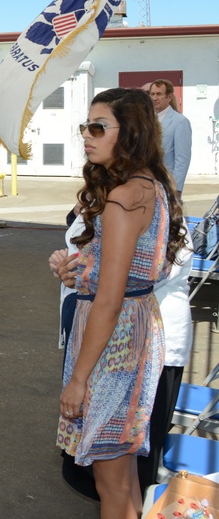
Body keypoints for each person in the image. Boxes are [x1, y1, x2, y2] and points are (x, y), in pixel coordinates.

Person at [55, 87, 186, 518]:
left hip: (114, 346)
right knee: (124, 472)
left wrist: (78, 380)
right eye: (85, 127)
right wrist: (78, 269)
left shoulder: (124, 197)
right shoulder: (150, 183)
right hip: (134, 332)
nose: (87, 136)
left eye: (98, 127)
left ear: (128, 133)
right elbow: (128, 274)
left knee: (109, 482)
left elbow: (110, 300)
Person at [51, 208, 193, 499]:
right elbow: (86, 252)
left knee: (123, 473)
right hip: (102, 341)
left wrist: (82, 276)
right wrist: (65, 266)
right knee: (106, 473)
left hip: (136, 347)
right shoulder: (107, 193)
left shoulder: (140, 199)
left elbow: (131, 280)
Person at [148, 79, 192, 196]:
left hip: (166, 184)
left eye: (159, 94)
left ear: (169, 97)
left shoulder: (180, 122)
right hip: (146, 183)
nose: (155, 98)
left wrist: (176, 189)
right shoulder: (146, 120)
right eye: (152, 94)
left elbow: (182, 159)